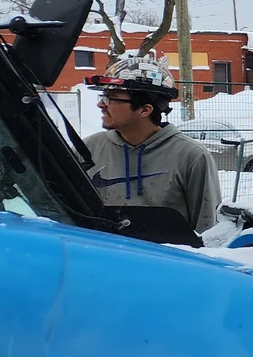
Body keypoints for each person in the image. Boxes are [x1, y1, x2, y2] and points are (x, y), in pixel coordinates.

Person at [84, 54, 222, 233]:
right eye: (103, 97)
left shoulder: (191, 157)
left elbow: (207, 228)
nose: (101, 105)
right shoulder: (87, 150)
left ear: (144, 109)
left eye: (111, 98)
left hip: (167, 260)